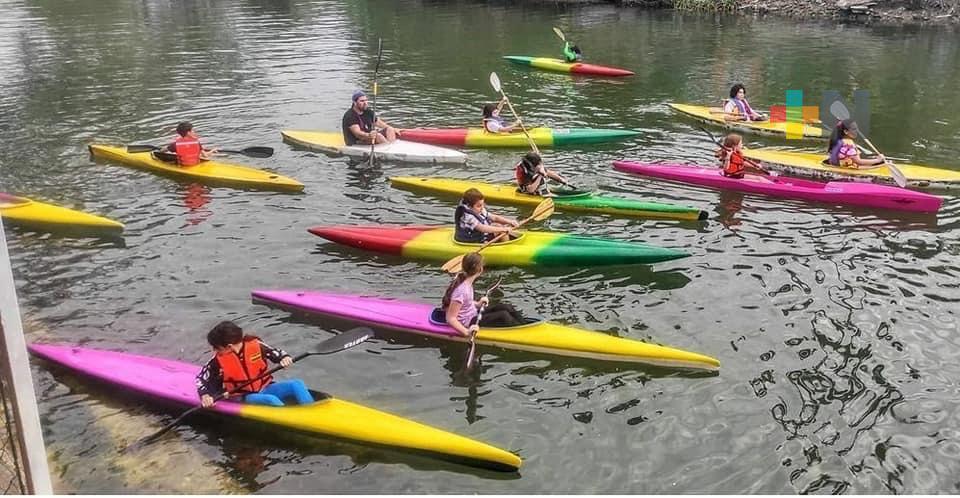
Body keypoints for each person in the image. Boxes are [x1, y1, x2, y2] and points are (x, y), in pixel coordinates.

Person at [195, 321, 314, 408]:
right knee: (270, 399)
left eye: (217, 348)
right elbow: (200, 379)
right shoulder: (217, 361)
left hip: (264, 387)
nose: (215, 351)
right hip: (242, 396)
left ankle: (312, 411)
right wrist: (205, 395)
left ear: (229, 346)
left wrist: (285, 358)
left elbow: (277, 353)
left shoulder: (256, 345)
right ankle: (292, 419)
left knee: (296, 384)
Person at [442, 252, 526, 336]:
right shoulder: (461, 290)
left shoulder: (465, 280)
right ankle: (524, 334)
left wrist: (478, 304)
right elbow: (450, 318)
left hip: (474, 313)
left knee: (507, 307)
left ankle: (524, 326)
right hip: (468, 322)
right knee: (503, 316)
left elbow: (466, 302)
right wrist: (466, 332)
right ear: (480, 269)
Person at [454, 188, 519, 243]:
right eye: (479, 206)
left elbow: (494, 218)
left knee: (497, 225)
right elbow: (482, 228)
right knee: (502, 231)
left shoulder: (478, 208)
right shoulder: (468, 217)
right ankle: (506, 249)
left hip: (477, 234)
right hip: (470, 239)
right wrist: (503, 229)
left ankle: (504, 241)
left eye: (482, 204)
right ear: (469, 206)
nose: (482, 207)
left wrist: (510, 221)